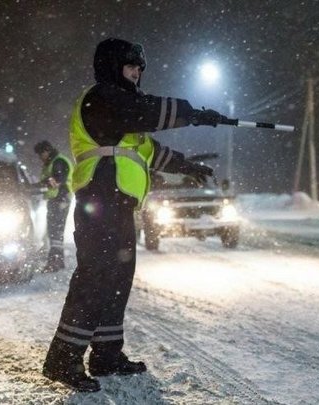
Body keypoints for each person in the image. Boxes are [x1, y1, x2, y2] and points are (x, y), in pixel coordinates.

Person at [41, 37, 227, 392]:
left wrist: (186, 165)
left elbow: (150, 150)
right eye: (130, 66)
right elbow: (147, 111)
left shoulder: (125, 117)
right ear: (112, 67)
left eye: (140, 68)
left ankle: (107, 354)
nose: (137, 73)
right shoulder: (101, 98)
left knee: (117, 280)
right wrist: (193, 113)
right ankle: (63, 358)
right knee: (95, 278)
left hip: (120, 205)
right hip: (99, 200)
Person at [34, 140, 73, 272]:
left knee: (55, 231)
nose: (40, 157)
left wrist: (37, 186)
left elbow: (55, 181)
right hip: (58, 199)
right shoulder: (54, 162)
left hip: (60, 199)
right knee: (56, 232)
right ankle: (58, 261)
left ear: (47, 151)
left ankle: (54, 262)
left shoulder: (58, 162)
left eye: (41, 154)